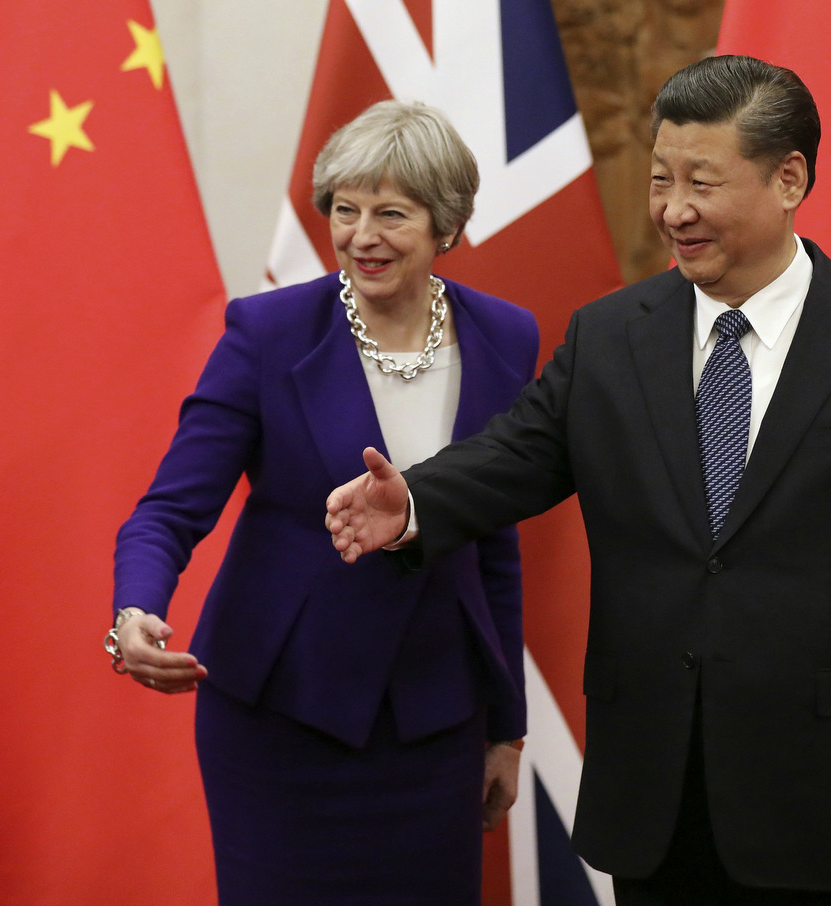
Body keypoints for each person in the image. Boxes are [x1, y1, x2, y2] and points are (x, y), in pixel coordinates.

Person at [327, 56, 831, 905]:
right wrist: (416, 500)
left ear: (788, 178)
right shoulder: (611, 336)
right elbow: (517, 454)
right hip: (657, 794)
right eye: (659, 179)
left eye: (701, 182)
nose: (673, 210)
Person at [107, 99, 538, 905]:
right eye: (345, 209)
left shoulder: (506, 338)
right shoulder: (269, 333)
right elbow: (169, 507)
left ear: (445, 225)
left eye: (391, 213)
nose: (361, 235)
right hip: (282, 716)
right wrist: (135, 610)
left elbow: (496, 544)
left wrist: (505, 726)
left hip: (434, 722)